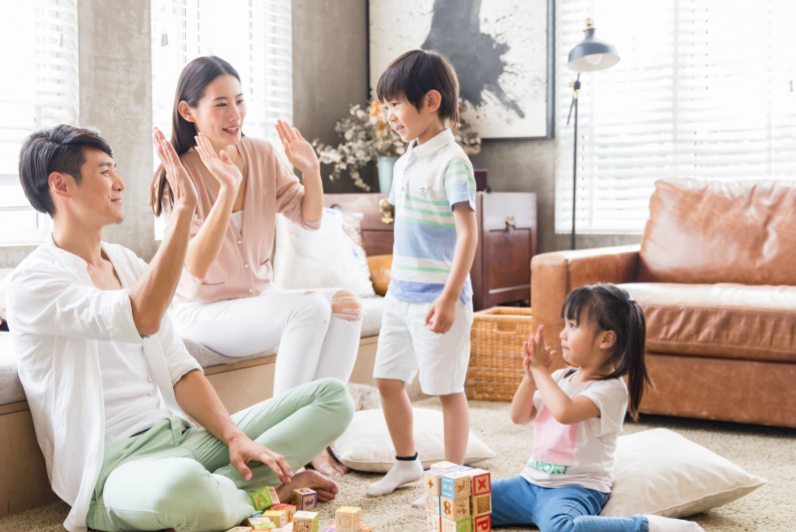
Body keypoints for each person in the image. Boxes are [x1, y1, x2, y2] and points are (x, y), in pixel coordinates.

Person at [7, 124, 353, 532]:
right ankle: (267, 493)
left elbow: (178, 366)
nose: (119, 183)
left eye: (115, 170)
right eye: (104, 172)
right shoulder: (33, 282)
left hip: (180, 438)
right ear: (60, 185)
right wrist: (184, 210)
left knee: (333, 399)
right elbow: (140, 317)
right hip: (115, 470)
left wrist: (233, 436)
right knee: (183, 489)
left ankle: (227, 487)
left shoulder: (127, 262)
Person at [149, 56, 362, 477]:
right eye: (221, 104)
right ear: (187, 111)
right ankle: (285, 447)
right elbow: (195, 266)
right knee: (311, 307)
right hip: (204, 312)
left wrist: (312, 170)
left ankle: (315, 437)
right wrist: (227, 189)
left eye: (240, 101)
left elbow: (311, 218)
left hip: (260, 302)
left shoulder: (262, 153)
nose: (236, 114)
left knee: (346, 305)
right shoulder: (178, 172)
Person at [491, 284, 704, 532]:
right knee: (467, 500)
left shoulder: (610, 389)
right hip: (528, 484)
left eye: (573, 325)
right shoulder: (559, 378)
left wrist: (540, 371)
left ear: (606, 339)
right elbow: (519, 416)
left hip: (576, 489)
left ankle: (649, 527)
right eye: (565, 324)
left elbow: (565, 412)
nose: (562, 334)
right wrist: (531, 376)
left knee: (563, 528)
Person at [365, 50, 479, 504]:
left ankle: (449, 479)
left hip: (439, 299)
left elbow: (468, 235)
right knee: (388, 381)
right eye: (386, 105)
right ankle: (408, 463)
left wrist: (450, 297)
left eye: (396, 104)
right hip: (400, 296)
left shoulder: (453, 162)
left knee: (447, 390)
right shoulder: (408, 157)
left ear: (431, 101)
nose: (390, 115)